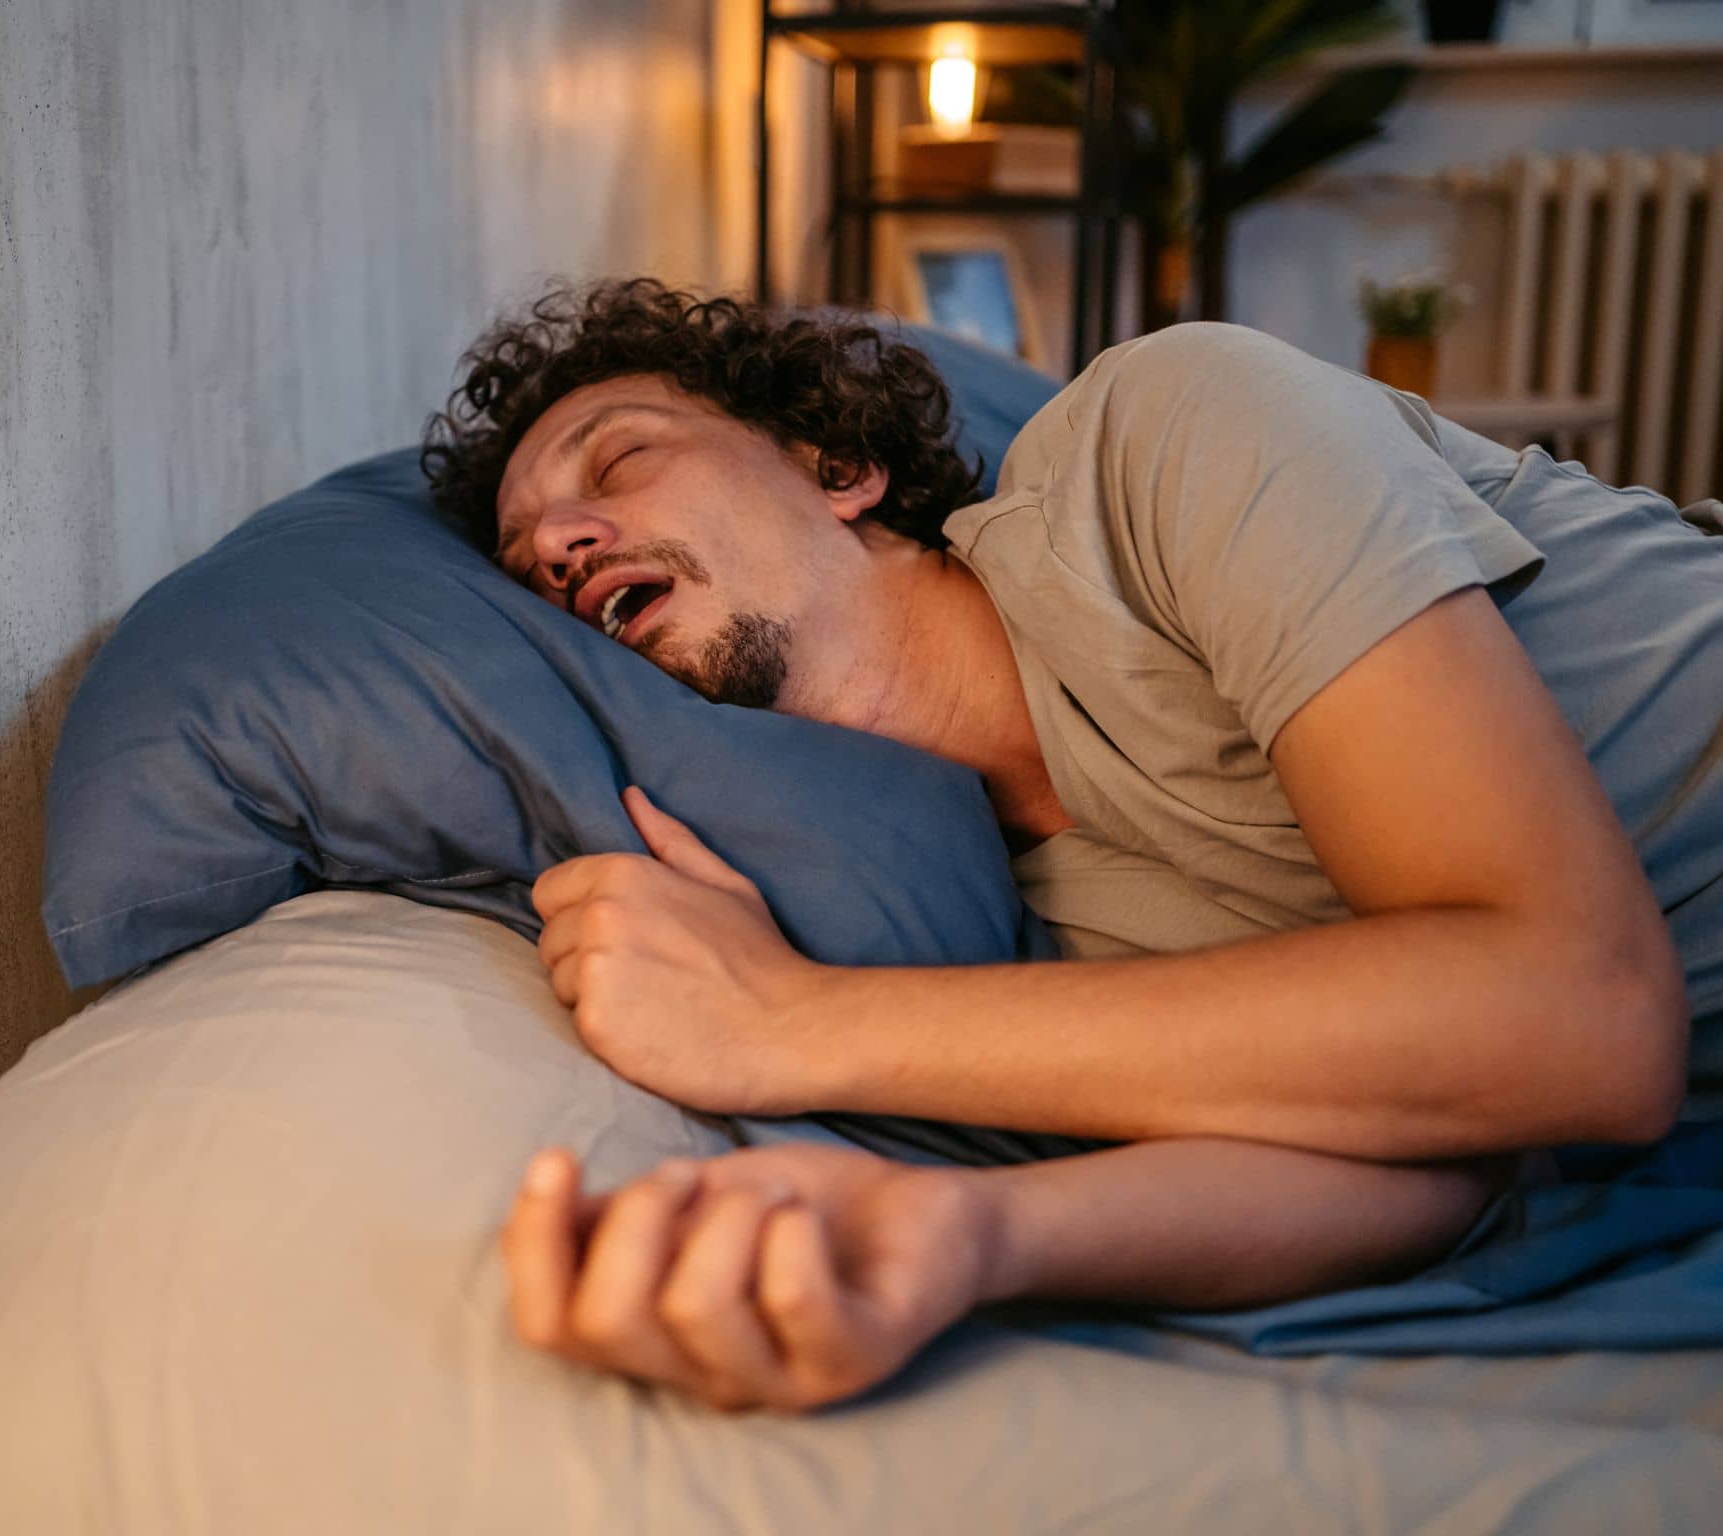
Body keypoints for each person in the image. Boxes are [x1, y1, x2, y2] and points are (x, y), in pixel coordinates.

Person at [419, 277, 1723, 1414]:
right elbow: (1442, 1147)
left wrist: (791, 1022)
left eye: (617, 459)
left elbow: (1582, 1015)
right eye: (528, 564)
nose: (560, 546)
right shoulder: (1034, 926)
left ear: (832, 466)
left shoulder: (1167, 438)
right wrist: (966, 1236)